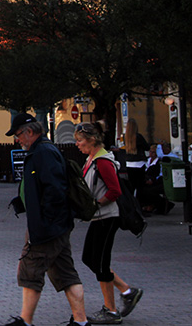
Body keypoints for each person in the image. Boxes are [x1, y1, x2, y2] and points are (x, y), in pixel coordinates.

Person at [0, 113, 88, 326]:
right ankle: (81, 321)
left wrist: (44, 222)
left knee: (30, 269)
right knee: (66, 274)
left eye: (19, 135)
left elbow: (55, 190)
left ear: (30, 132)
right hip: (56, 225)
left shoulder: (43, 152)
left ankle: (26, 321)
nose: (17, 140)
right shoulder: (42, 151)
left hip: (48, 227)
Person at [74, 122, 143, 323]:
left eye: (80, 141)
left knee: (100, 263)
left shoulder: (102, 161)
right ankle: (127, 291)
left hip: (107, 217)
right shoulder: (91, 159)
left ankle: (112, 310)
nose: (77, 144)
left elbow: (115, 191)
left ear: (92, 140)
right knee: (90, 258)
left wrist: (96, 204)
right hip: (99, 217)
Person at [123, 119, 149, 200]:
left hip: (129, 163)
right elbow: (147, 147)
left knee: (132, 185)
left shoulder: (125, 138)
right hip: (139, 163)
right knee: (140, 186)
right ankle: (140, 204)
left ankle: (132, 204)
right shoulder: (138, 137)